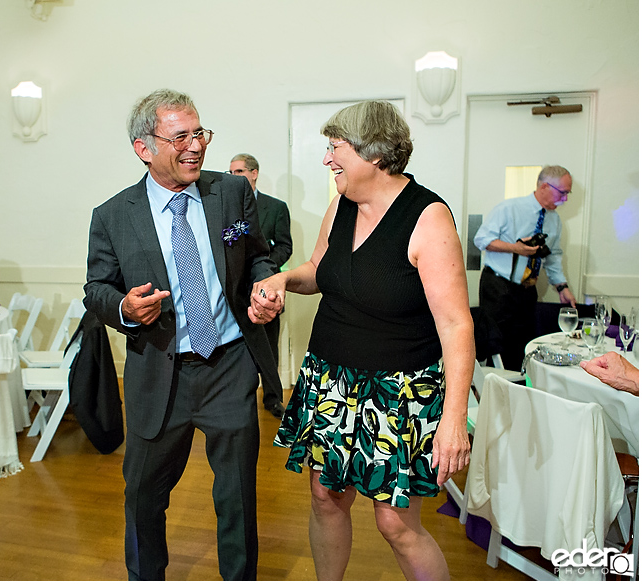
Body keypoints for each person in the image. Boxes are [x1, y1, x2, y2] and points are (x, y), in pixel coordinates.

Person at [252, 101, 472, 580]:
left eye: (335, 148)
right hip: (329, 380)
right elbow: (320, 272)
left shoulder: (427, 218)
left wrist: (454, 420)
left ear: (373, 154)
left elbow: (456, 326)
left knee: (395, 522)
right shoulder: (341, 204)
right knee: (325, 496)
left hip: (399, 393)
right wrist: (283, 280)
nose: (328, 159)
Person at [84, 89, 282, 580]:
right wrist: (126, 309)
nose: (195, 146)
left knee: (237, 496)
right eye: (180, 137)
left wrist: (263, 282)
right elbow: (96, 289)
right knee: (142, 496)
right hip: (159, 371)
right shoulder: (112, 216)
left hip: (229, 367)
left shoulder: (231, 194)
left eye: (200, 133)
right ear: (144, 148)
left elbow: (254, 251)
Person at [474, 165, 578, 370]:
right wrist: (516, 248)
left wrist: (562, 287)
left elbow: (553, 256)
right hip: (498, 286)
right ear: (544, 187)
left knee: (523, 344)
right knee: (494, 344)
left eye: (568, 193)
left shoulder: (554, 220)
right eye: (563, 193)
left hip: (527, 290)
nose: (565, 199)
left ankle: (518, 390)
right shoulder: (509, 209)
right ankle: (492, 390)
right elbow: (481, 240)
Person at [229, 153, 293, 418]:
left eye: (240, 171)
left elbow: (285, 246)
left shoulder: (275, 207)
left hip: (265, 289)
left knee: (268, 345)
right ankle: (236, 395)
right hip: (233, 291)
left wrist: (265, 268)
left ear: (254, 173)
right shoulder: (226, 207)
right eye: (231, 172)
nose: (234, 177)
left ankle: (272, 397)